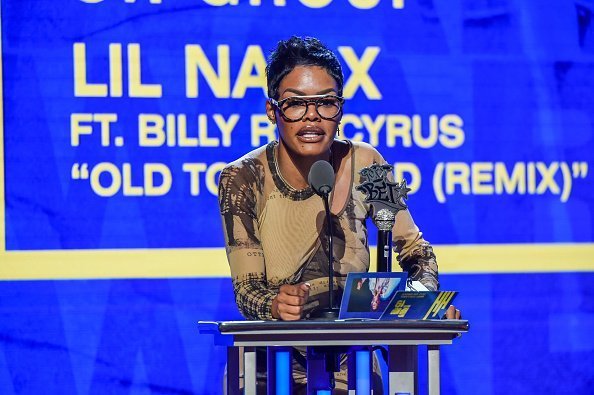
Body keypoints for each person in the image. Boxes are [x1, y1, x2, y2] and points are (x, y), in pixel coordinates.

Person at [218, 36, 460, 393]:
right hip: (272, 369)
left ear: (341, 109)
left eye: (326, 103)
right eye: (296, 104)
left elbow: (416, 251)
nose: (312, 116)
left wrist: (420, 300)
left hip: (354, 367)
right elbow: (247, 291)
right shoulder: (242, 177)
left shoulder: (370, 165)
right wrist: (275, 304)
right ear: (272, 111)